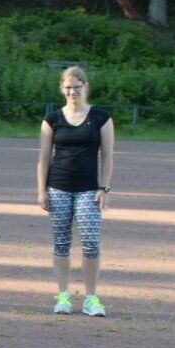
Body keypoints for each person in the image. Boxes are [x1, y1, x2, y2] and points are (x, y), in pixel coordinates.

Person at [36, 65, 114, 316]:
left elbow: (108, 155)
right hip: (58, 187)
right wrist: (41, 191)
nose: (73, 92)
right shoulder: (52, 119)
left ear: (85, 87)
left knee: (91, 242)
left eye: (77, 87)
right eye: (68, 87)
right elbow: (43, 157)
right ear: (62, 88)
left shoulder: (101, 117)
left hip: (89, 189)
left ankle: (91, 298)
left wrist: (104, 187)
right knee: (61, 242)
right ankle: (63, 296)